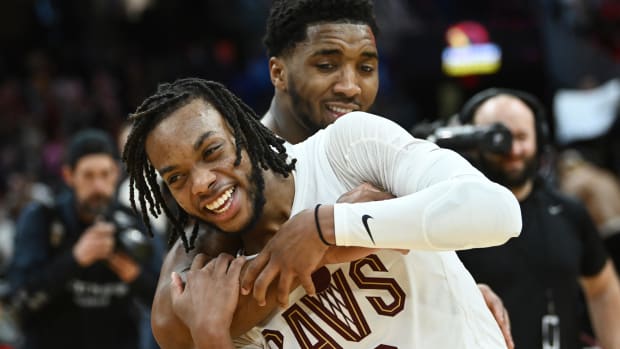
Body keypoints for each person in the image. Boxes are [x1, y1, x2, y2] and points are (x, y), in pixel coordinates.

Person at [149, 0, 516, 348]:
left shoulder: (354, 139)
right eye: (326, 66)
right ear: (277, 72)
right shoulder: (225, 192)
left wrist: (330, 226)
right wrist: (213, 334)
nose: (350, 86)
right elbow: (173, 325)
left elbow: (493, 212)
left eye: (366, 68)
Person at [455, 88, 620, 349]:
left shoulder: (569, 213)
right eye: (498, 138)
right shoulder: (447, 219)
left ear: (539, 138)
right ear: (471, 143)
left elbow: (602, 287)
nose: (513, 149)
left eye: (521, 136)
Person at [5, 129, 164, 349]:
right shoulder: (43, 220)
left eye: (105, 174)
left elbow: (164, 300)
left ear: (116, 174)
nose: (98, 186)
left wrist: (132, 273)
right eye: (88, 176)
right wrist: (75, 259)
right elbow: (19, 300)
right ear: (69, 176)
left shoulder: (132, 223)